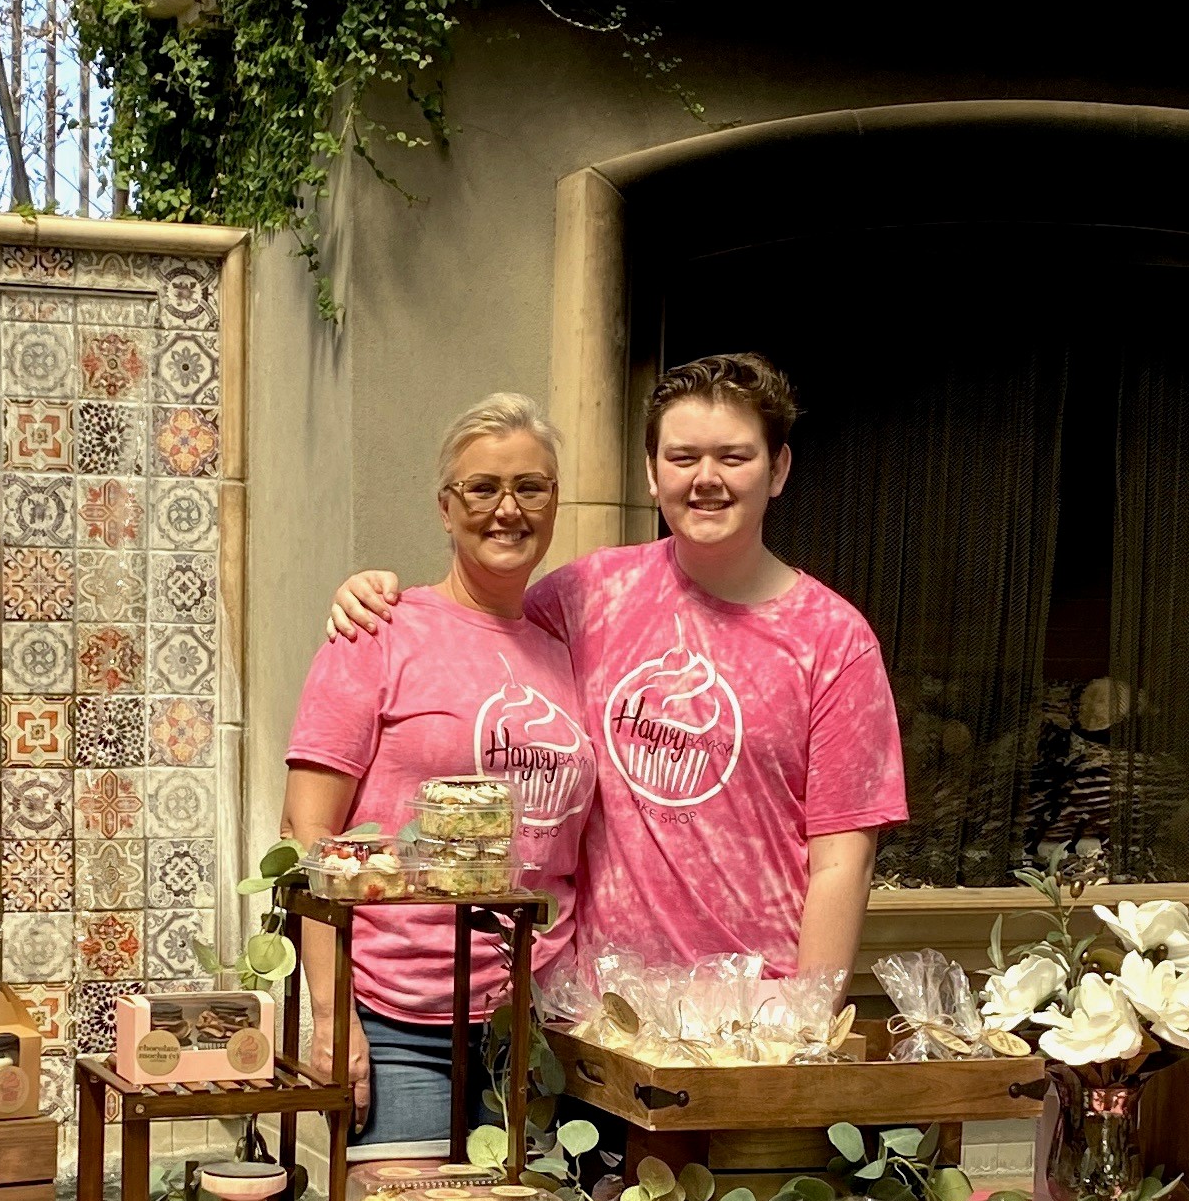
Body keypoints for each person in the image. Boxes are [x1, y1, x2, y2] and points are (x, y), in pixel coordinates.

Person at [327, 351, 903, 980]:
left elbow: (843, 862)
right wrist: (381, 599)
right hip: (593, 1016)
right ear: (653, 474)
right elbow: (475, 627)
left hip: (755, 1018)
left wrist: (808, 1021)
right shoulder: (588, 596)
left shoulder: (835, 642)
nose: (706, 479)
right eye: (683, 458)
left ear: (778, 469)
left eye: (734, 458)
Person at [284, 392, 595, 1147]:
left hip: (540, 1023)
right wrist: (332, 1017)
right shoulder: (380, 632)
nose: (507, 509)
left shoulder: (573, 646)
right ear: (445, 508)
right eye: (482, 488)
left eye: (531, 486)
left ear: (555, 500)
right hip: (398, 1016)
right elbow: (305, 831)